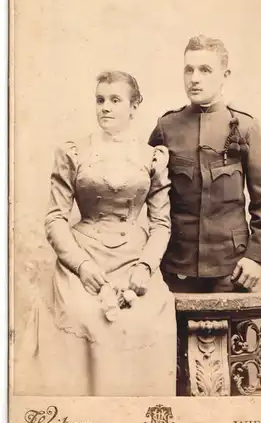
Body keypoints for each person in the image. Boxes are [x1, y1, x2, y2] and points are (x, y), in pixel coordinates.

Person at [18, 70, 176, 396]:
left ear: (134, 106)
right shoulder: (74, 151)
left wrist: (145, 267)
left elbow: (161, 223)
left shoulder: (152, 157)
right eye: (100, 100)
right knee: (81, 313)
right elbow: (54, 218)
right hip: (82, 259)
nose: (105, 107)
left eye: (115, 100)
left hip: (134, 260)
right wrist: (81, 266)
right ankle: (83, 422)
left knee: (144, 319)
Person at [149, 36, 261, 293]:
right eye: (189, 69)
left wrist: (255, 257)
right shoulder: (166, 127)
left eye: (205, 70)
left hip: (231, 270)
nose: (194, 78)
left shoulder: (246, 127)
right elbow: (143, 193)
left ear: (224, 75)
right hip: (174, 268)